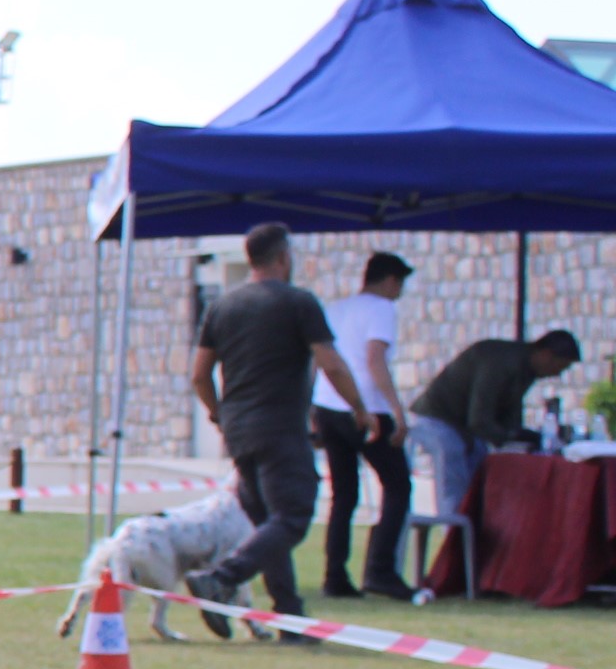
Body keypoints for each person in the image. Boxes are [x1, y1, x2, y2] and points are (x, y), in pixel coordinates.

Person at [185, 223, 373, 633]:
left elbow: (200, 374)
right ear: (283, 257)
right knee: (292, 515)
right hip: (280, 426)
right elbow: (332, 362)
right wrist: (360, 406)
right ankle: (221, 579)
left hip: (238, 429)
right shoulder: (298, 303)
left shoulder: (222, 307)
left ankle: (290, 619)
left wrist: (218, 414)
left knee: (268, 523)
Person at [410, 327, 585, 553]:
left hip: (467, 428)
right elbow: (480, 418)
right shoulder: (502, 363)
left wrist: (526, 436)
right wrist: (511, 437)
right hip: (438, 419)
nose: (558, 373)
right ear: (546, 355)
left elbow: (506, 419)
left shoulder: (525, 369)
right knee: (455, 486)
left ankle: (475, 554)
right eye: (561, 366)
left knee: (482, 482)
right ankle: (453, 554)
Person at [310, 251, 411, 600]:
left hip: (329, 404)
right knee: (398, 487)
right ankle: (381, 570)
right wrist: (397, 411)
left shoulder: (337, 309)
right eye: (400, 284)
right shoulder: (382, 309)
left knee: (344, 495)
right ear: (389, 280)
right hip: (366, 407)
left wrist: (311, 405)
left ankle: (334, 575)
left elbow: (319, 357)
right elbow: (374, 359)